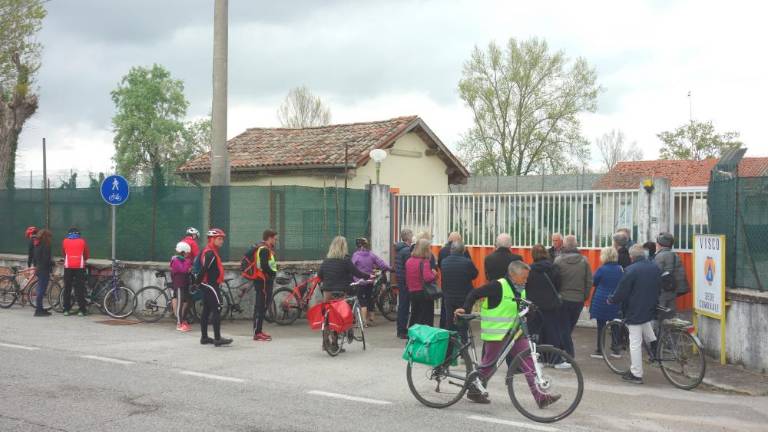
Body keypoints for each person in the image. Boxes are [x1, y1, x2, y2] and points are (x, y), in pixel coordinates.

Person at [454, 261, 561, 407]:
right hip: (496, 334)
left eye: (526, 277)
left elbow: (519, 309)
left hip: (514, 333)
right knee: (488, 367)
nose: (526, 280)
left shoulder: (520, 288)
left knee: (529, 361)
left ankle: (541, 398)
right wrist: (465, 309)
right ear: (512, 275)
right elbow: (474, 293)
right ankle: (474, 390)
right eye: (523, 277)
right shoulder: (498, 286)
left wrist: (530, 312)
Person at [608, 244, 661, 384]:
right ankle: (655, 349)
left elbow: (622, 291)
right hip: (651, 306)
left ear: (631, 257)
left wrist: (612, 299)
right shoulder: (654, 267)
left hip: (636, 309)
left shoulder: (631, 270)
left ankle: (636, 373)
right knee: (646, 325)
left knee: (635, 342)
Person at [553, 235, 591, 367]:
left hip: (563, 299)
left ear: (564, 245)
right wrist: (584, 296)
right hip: (578, 300)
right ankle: (563, 354)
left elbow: (554, 281)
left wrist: (557, 295)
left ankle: (568, 355)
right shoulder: (584, 261)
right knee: (568, 328)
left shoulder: (558, 261)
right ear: (576, 245)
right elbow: (588, 281)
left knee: (563, 328)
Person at [198, 228, 233, 347]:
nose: (222, 241)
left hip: (208, 284)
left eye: (222, 238)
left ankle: (204, 337)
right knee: (217, 308)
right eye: (219, 238)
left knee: (206, 310)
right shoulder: (210, 253)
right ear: (211, 239)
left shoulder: (211, 251)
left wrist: (198, 284)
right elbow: (204, 269)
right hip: (210, 285)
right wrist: (197, 283)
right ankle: (217, 338)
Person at [525, 245, 562, 354]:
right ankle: (554, 358)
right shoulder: (554, 268)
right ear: (546, 253)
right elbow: (558, 286)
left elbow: (525, 286)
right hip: (551, 305)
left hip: (534, 306)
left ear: (533, 255)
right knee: (552, 331)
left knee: (535, 332)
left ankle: (537, 357)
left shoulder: (528, 270)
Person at [588, 247, 623, 358]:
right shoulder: (620, 269)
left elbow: (594, 282)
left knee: (601, 326)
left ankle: (600, 350)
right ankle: (616, 350)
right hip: (616, 300)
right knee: (616, 325)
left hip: (602, 300)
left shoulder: (602, 269)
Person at [351, 237, 392, 326]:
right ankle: (371, 318)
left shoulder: (355, 256)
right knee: (369, 298)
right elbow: (381, 263)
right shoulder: (371, 254)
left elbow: (351, 267)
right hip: (370, 281)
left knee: (362, 300)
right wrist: (390, 269)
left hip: (360, 282)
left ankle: (363, 322)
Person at [439, 241, 478, 335]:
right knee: (463, 322)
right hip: (464, 296)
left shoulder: (444, 262)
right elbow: (475, 274)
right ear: (463, 250)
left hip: (449, 296)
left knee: (450, 322)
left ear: (451, 250)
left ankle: (450, 346)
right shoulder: (467, 262)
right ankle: (463, 344)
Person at [318, 236, 370, 301]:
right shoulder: (346, 260)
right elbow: (357, 273)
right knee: (340, 310)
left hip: (327, 291)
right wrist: (369, 276)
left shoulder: (326, 260)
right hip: (341, 291)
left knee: (327, 309)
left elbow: (319, 275)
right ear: (344, 247)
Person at [249, 229, 278, 342]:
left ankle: (258, 331)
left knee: (262, 306)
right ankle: (257, 332)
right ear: (269, 238)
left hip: (263, 281)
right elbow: (264, 266)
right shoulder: (264, 250)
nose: (275, 241)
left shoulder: (265, 249)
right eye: (274, 239)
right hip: (263, 281)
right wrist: (273, 273)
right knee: (261, 306)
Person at [654, 232, 688, 320]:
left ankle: (658, 333)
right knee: (670, 315)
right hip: (673, 289)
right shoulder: (675, 255)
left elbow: (656, 273)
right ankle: (671, 333)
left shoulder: (660, 256)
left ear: (660, 244)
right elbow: (680, 274)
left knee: (659, 314)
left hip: (662, 290)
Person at [405, 239, 437, 327]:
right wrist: (434, 274)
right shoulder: (424, 262)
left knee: (414, 315)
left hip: (412, 291)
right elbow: (427, 278)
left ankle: (412, 336)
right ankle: (425, 337)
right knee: (426, 318)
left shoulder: (409, 261)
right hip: (423, 293)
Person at [61, 227, 89, 316]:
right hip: (79, 267)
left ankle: (66, 309)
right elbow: (86, 254)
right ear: (78, 234)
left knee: (67, 288)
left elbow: (64, 253)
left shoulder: (65, 241)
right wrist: (82, 259)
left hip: (68, 266)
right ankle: (81, 310)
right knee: (79, 288)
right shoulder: (82, 241)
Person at [395, 229, 414, 339]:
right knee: (404, 306)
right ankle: (402, 330)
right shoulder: (407, 251)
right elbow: (409, 268)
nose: (412, 238)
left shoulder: (400, 249)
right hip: (406, 282)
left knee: (403, 305)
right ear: (408, 238)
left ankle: (401, 329)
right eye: (411, 236)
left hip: (401, 280)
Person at [170, 241, 193, 332]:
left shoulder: (183, 260)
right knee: (180, 304)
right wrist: (188, 263)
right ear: (182, 252)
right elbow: (183, 270)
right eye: (187, 253)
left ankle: (183, 320)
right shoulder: (175, 260)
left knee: (189, 301)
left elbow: (187, 269)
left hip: (185, 284)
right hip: (179, 285)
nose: (188, 255)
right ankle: (179, 324)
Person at [32, 229, 53, 317]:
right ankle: (38, 310)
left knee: (40, 289)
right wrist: (53, 263)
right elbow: (46, 260)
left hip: (39, 268)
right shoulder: (45, 246)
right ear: (46, 237)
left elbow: (35, 258)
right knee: (41, 290)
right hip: (44, 270)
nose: (51, 239)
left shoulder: (37, 244)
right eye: (50, 237)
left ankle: (40, 308)